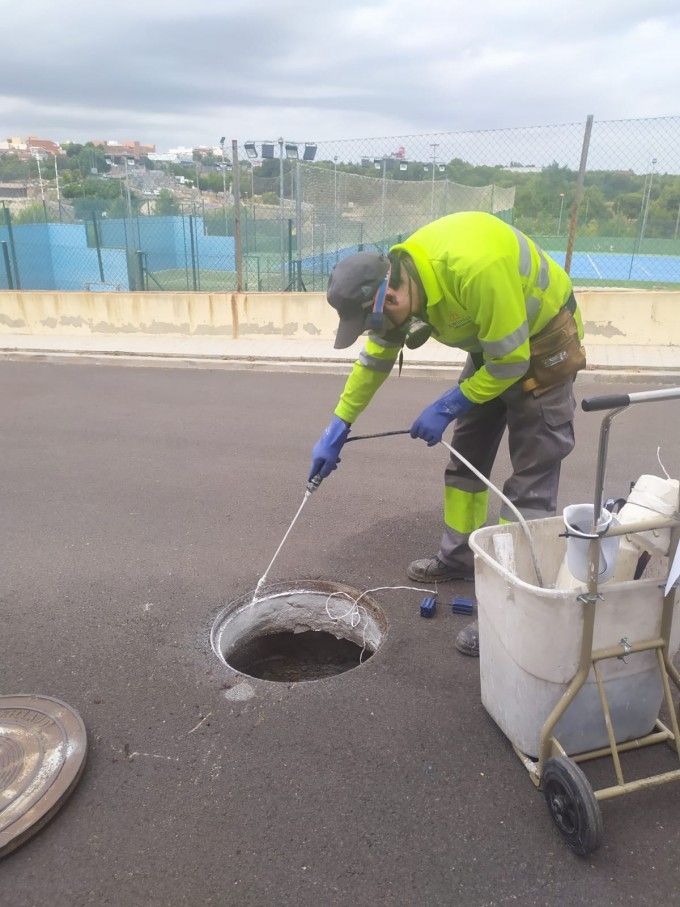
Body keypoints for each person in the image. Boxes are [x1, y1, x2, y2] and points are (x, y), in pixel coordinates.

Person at [309, 211, 585, 656]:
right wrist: (339, 424)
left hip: (541, 345)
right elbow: (376, 360)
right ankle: (458, 558)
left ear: (392, 294)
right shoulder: (399, 286)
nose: (380, 333)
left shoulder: (474, 269)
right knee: (467, 457)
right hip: (491, 346)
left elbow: (511, 363)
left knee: (529, 483)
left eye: (377, 321)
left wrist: (450, 403)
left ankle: (507, 606)